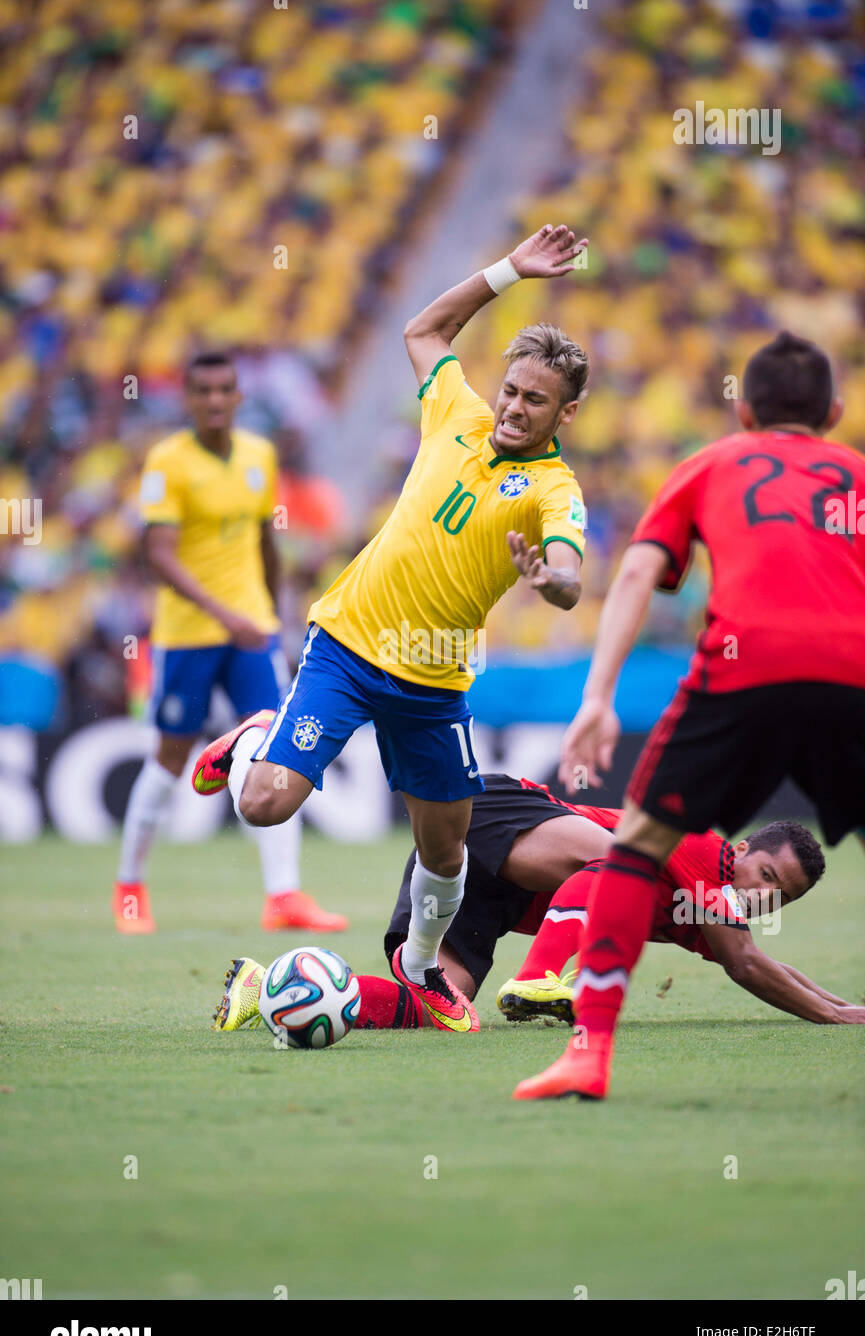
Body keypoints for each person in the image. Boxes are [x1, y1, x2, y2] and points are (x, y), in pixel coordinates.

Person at [193, 224, 590, 1033]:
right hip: (346, 646)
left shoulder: (556, 489)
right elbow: (424, 330)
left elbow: (569, 578)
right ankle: (247, 745)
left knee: (446, 855)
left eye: (534, 399)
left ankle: (420, 973)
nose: (514, 406)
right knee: (265, 804)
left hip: (434, 677)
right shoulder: (456, 411)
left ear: (566, 412)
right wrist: (509, 267)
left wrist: (550, 578)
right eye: (511, 389)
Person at [515, 330, 865, 1102]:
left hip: (738, 671)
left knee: (634, 852)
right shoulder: (858, 476)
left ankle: (588, 1053)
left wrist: (597, 697)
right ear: (834, 412)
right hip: (852, 668)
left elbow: (640, 569)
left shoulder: (709, 465)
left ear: (742, 409)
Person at [210, 775, 860, 1034]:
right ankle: (538, 976)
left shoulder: (708, 915)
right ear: (742, 849)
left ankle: (263, 985)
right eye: (765, 874)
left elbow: (748, 960)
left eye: (780, 896)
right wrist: (835, 1019)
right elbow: (746, 962)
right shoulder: (700, 852)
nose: (761, 894)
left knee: (440, 1009)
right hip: (500, 817)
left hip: (484, 888)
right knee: (620, 860)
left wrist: (838, 1003)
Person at [113, 351, 346, 936]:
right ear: (189, 399)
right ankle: (130, 890)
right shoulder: (166, 462)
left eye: (225, 390)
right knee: (169, 757)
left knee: (276, 749)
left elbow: (266, 541)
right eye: (204, 391)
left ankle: (283, 898)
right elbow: (158, 555)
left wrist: (273, 617)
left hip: (252, 634)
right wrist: (226, 615)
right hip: (188, 635)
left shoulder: (258, 455)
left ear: (239, 396)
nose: (216, 400)